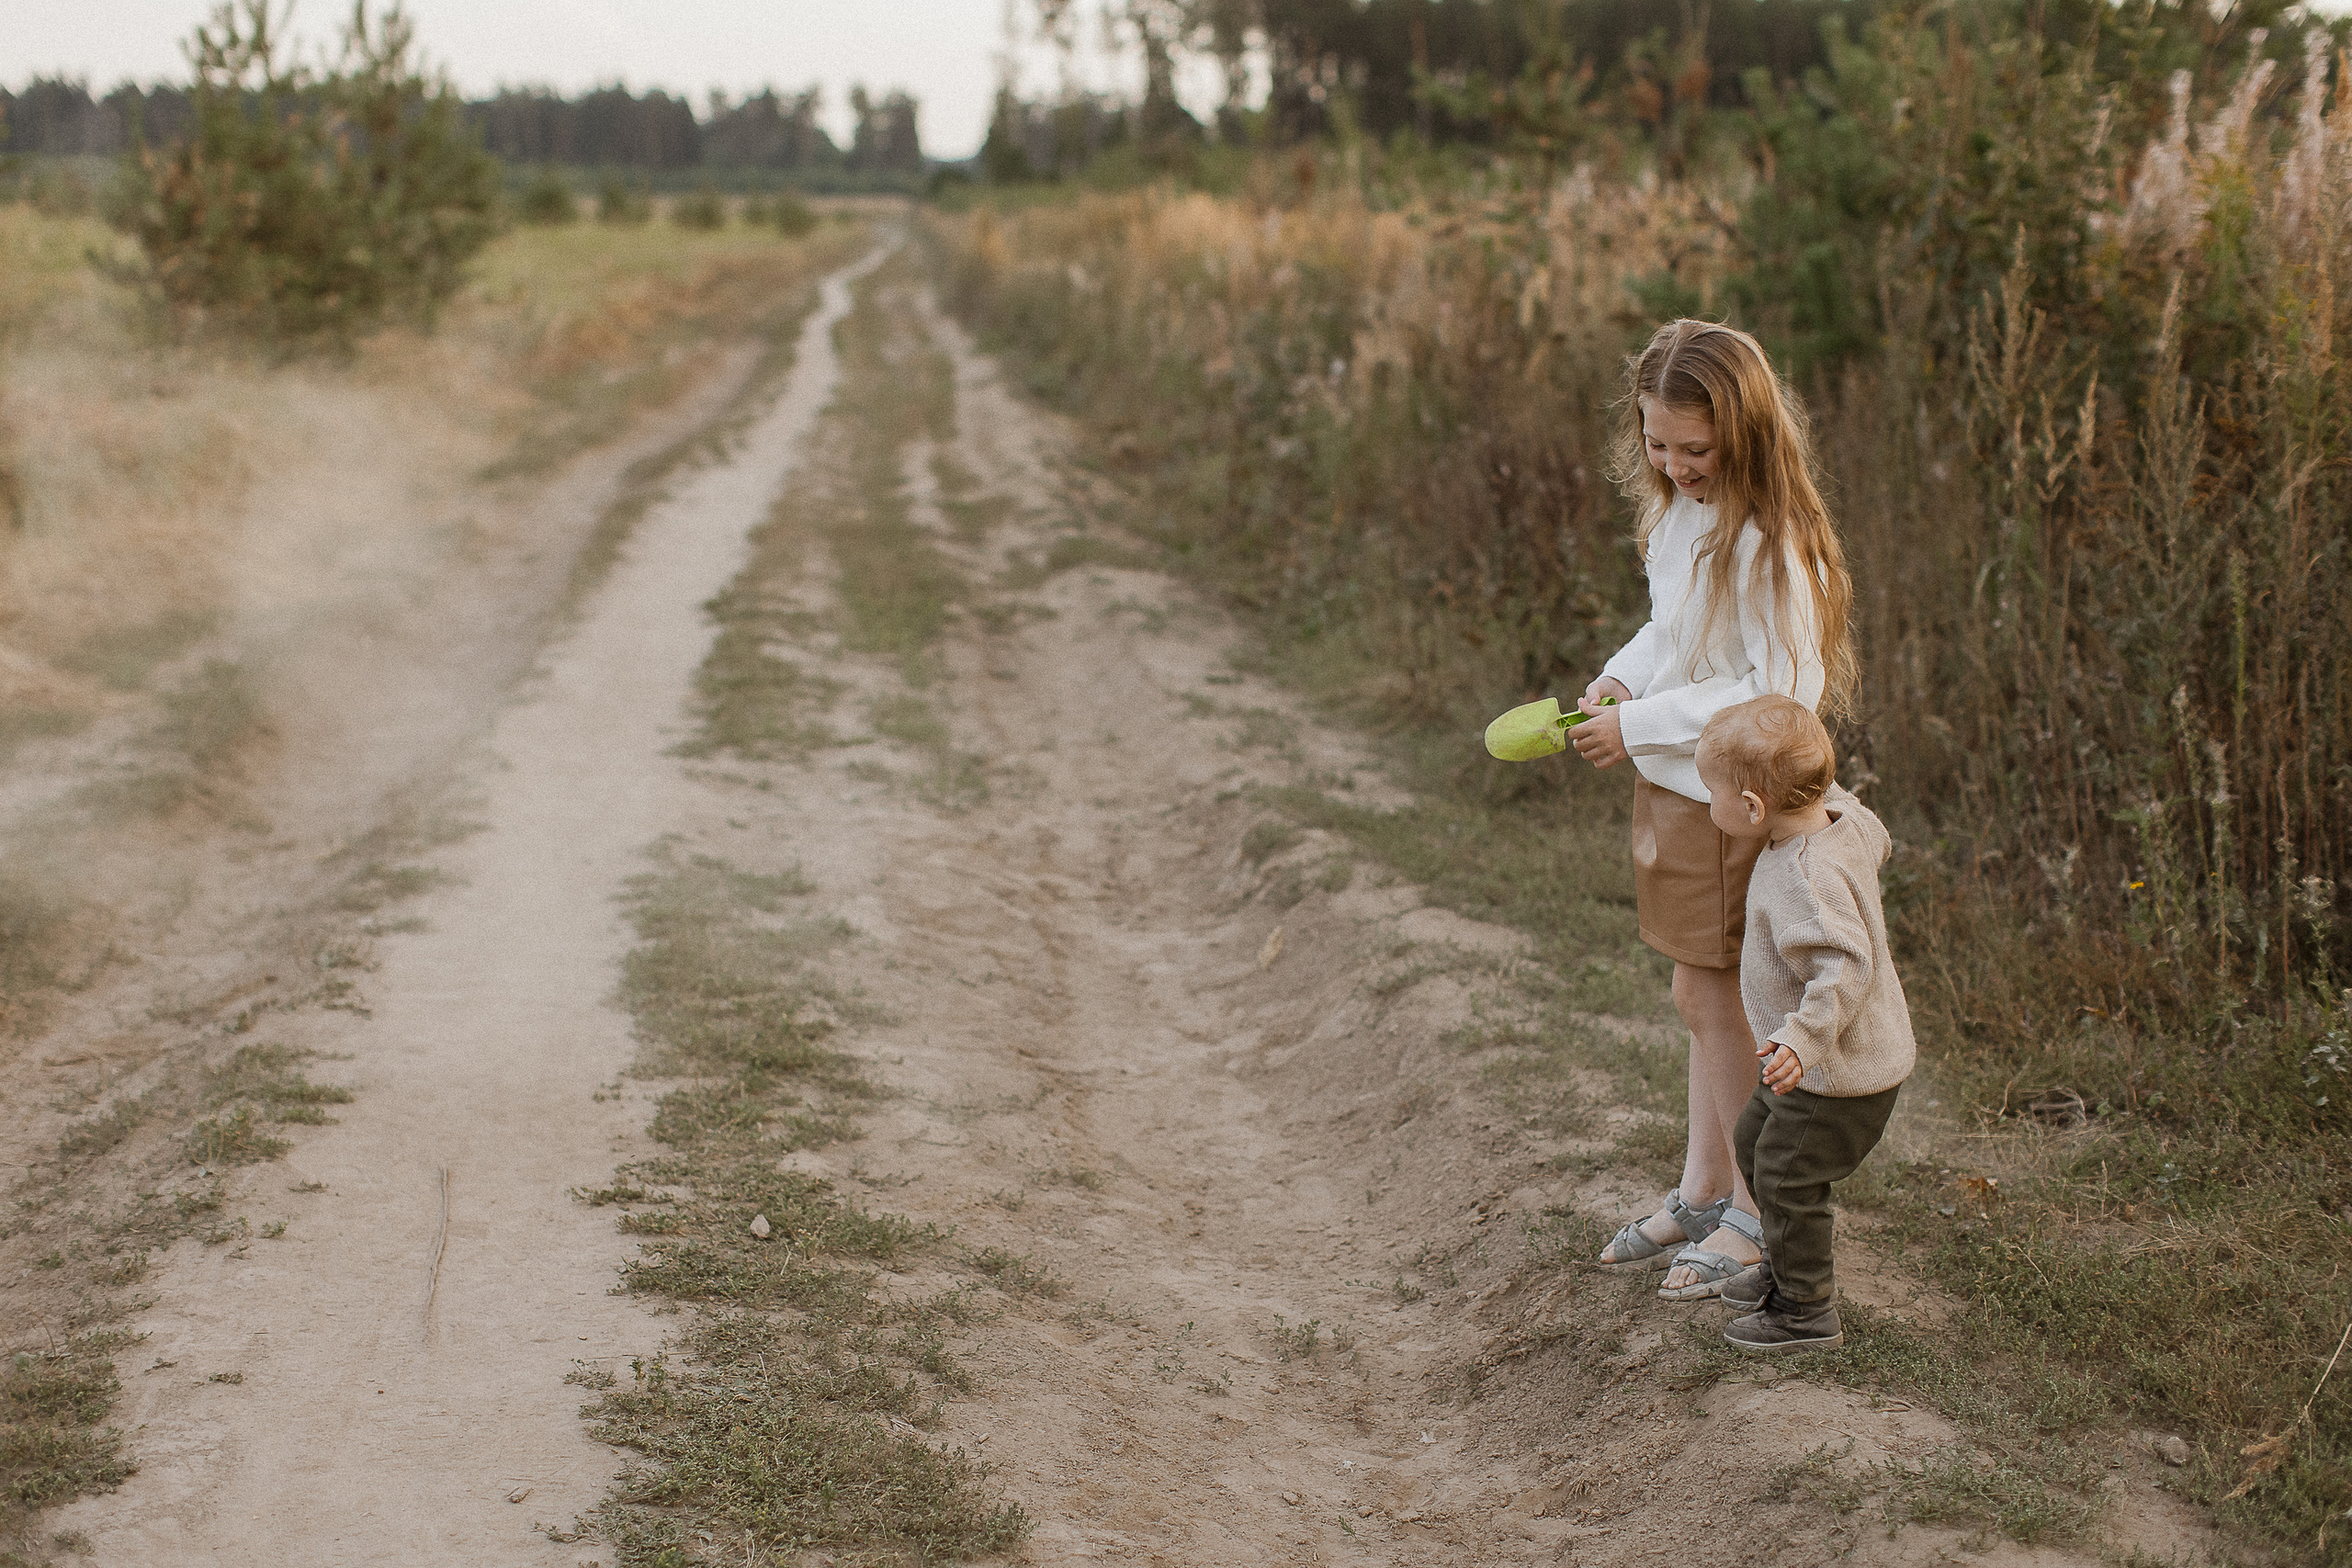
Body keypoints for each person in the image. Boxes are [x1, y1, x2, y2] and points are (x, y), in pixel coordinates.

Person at [1577, 319, 1857, 1302]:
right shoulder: (1680, 520)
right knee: (1695, 996)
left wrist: (1645, 720)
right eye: (1657, 445)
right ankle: (1702, 1189)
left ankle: (1751, 1208)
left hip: (1739, 798)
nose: (1675, 465)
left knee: (1731, 1001)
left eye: (1694, 450)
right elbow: (1671, 633)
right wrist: (1621, 683)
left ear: (1744, 432)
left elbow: (1769, 691)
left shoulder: (1771, 545)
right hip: (1679, 787)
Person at [1693, 695, 1915, 1352]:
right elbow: (1873, 828)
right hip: (1818, 1065)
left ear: (1754, 808)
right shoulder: (1840, 820)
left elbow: (1845, 966)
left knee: (1788, 1175)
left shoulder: (1805, 876)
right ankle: (1785, 1270)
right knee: (1754, 1139)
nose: (1710, 806)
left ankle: (1805, 1309)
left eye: (1713, 794)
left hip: (1838, 1071)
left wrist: (1801, 1036)